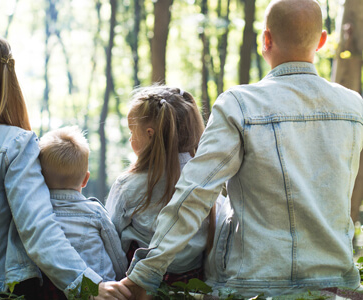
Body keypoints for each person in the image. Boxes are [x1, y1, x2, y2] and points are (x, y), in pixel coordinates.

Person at [120, 0, 363, 298]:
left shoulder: (240, 105)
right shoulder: (354, 107)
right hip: (337, 282)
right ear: (323, 41)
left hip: (252, 284)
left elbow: (194, 194)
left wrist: (144, 275)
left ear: (266, 39)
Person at [0, 32, 131, 300]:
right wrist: (87, 284)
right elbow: (38, 228)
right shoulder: (15, 143)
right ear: (7, 80)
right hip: (2, 293)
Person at [105, 85, 222, 285]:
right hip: (192, 284)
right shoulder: (208, 180)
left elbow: (110, 238)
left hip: (138, 286)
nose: (131, 139)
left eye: (133, 132)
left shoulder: (128, 185)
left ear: (150, 134)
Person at [38, 126, 128, 283]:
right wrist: (122, 279)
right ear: (86, 179)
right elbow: (116, 255)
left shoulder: (36, 214)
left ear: (39, 177)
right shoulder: (95, 212)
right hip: (101, 289)